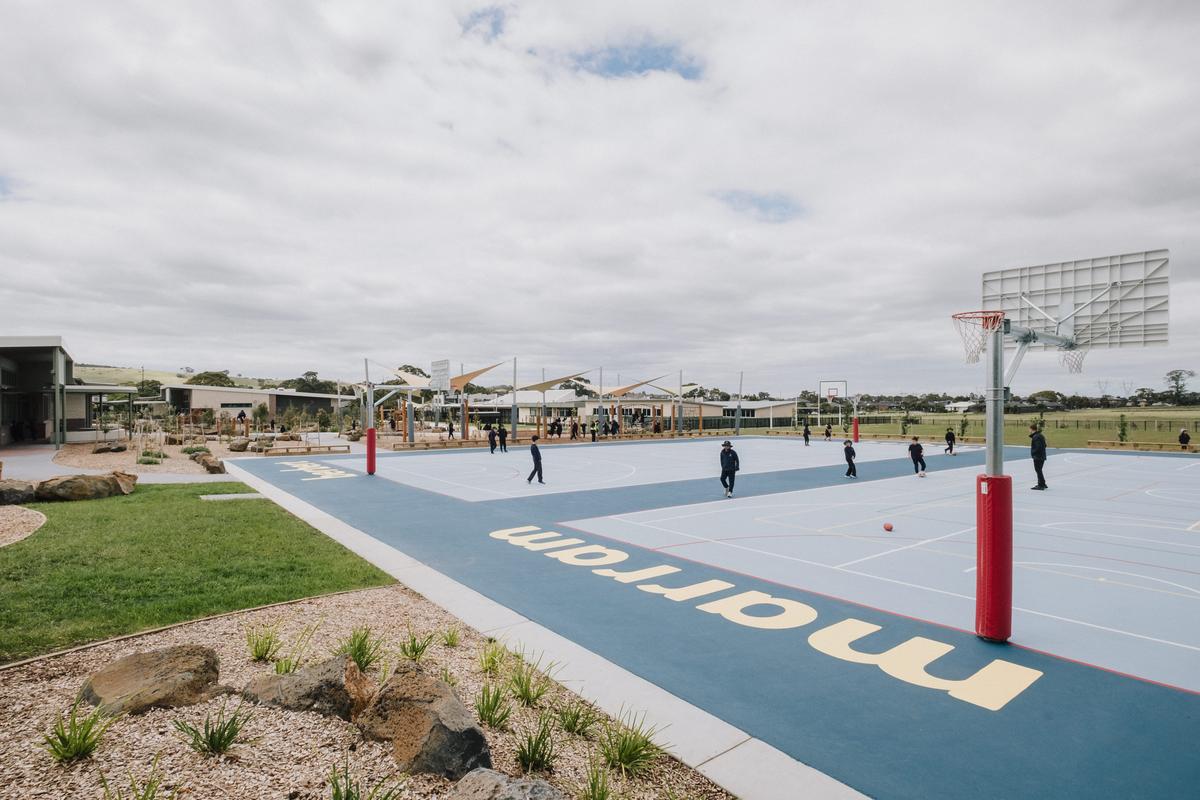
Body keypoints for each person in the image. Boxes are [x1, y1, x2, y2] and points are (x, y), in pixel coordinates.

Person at [1029, 424, 1048, 490]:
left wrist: (1033, 453)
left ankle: (1041, 485)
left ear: (1031, 429)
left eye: (1029, 429)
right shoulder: (1040, 435)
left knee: (1038, 470)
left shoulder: (1036, 437)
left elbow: (1038, 447)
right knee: (1039, 470)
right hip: (1041, 456)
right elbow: (1045, 445)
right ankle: (1042, 483)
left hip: (1038, 457)